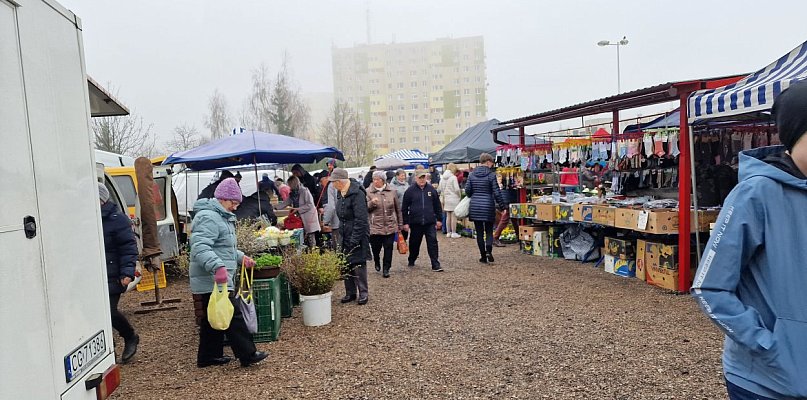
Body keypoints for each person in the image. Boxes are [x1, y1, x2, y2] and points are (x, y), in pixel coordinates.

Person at [692, 81, 807, 400]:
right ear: (795, 135)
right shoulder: (756, 193)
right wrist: (767, 345)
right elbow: (710, 288)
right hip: (765, 382)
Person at [189, 178, 267, 368]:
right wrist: (217, 266)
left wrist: (242, 258)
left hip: (216, 276)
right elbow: (199, 247)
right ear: (222, 199)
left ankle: (208, 357)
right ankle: (248, 354)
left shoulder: (222, 217)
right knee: (232, 314)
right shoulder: (209, 217)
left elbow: (225, 248)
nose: (235, 207)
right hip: (214, 277)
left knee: (211, 317)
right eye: (233, 203)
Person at [98, 183, 140, 363]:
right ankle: (108, 350)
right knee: (96, 314)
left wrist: (127, 273)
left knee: (109, 311)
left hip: (113, 274)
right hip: (94, 275)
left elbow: (129, 248)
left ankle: (129, 335)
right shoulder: (85, 219)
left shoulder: (118, 219)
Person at [329, 168, 371, 304]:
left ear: (340, 182)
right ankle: (350, 292)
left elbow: (361, 219)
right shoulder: (340, 192)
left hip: (357, 233)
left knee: (358, 263)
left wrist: (354, 238)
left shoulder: (357, 193)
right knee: (346, 263)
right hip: (344, 232)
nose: (332, 185)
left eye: (334, 182)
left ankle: (363, 293)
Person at [465, 153, 507, 264]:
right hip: (488, 205)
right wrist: (503, 207)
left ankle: (483, 256)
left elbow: (467, 191)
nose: (492, 164)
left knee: (479, 232)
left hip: (475, 206)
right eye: (492, 162)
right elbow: (497, 192)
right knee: (489, 230)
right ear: (488, 162)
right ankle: (488, 250)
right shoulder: (491, 175)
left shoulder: (471, 175)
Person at [402, 169, 443, 272]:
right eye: (420, 177)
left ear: (426, 178)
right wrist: (405, 222)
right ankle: (412, 258)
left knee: (432, 242)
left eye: (423, 177)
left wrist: (439, 219)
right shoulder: (410, 191)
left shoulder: (431, 190)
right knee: (414, 243)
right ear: (416, 178)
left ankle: (435, 264)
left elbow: (437, 205)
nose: (422, 179)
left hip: (429, 222)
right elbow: (404, 208)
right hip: (416, 222)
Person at [367, 170, 404, 278]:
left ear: (383, 180)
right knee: (376, 247)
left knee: (388, 248)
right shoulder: (368, 192)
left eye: (377, 179)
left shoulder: (392, 191)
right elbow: (364, 208)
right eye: (374, 179)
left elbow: (398, 209)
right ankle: (377, 259)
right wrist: (371, 203)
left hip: (390, 225)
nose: (375, 181)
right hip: (375, 226)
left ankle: (386, 268)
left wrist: (400, 224)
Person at [276, 175, 322, 248]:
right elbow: (286, 202)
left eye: (290, 184)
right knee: (301, 235)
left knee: (310, 236)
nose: (289, 186)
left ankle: (312, 252)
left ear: (294, 184)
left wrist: (298, 209)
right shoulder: (292, 193)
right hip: (299, 218)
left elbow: (310, 205)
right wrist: (275, 208)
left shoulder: (304, 191)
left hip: (308, 217)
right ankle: (304, 252)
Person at [438, 163, 462, 239]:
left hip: (446, 199)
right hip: (454, 198)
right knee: (453, 216)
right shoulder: (453, 177)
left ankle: (448, 232)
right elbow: (457, 189)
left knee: (448, 216)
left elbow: (440, 189)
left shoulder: (443, 178)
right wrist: (459, 195)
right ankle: (454, 232)